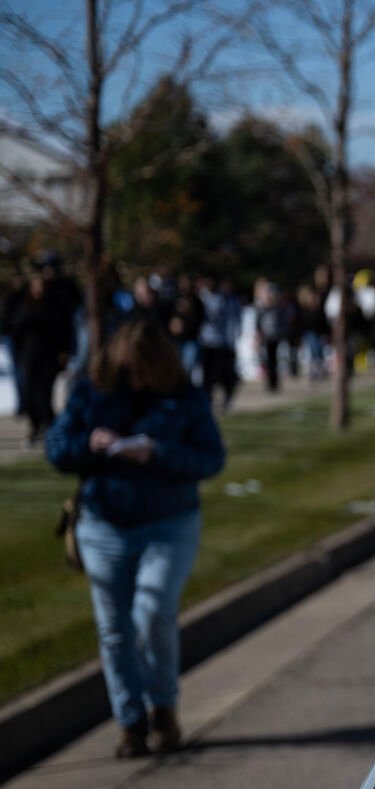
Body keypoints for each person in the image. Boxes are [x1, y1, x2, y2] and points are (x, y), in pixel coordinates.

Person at [44, 314, 225, 757]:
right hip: (104, 524)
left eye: (143, 370)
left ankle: (163, 707)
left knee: (153, 613)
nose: (136, 379)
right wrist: (89, 443)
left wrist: (157, 452)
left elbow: (210, 458)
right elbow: (56, 447)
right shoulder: (92, 391)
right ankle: (130, 722)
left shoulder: (183, 396)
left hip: (168, 523)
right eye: (128, 370)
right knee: (114, 630)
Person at [5, 268, 75, 444]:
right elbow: (14, 328)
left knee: (45, 392)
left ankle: (48, 426)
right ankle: (37, 424)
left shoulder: (54, 306)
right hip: (29, 355)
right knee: (29, 392)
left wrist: (64, 351)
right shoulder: (24, 306)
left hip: (49, 355)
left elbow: (63, 330)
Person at [195, 275, 240, 410]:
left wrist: (231, 341)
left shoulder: (223, 299)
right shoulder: (200, 297)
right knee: (206, 375)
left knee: (219, 373)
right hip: (205, 341)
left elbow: (230, 320)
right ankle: (206, 400)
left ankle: (224, 395)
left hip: (220, 342)